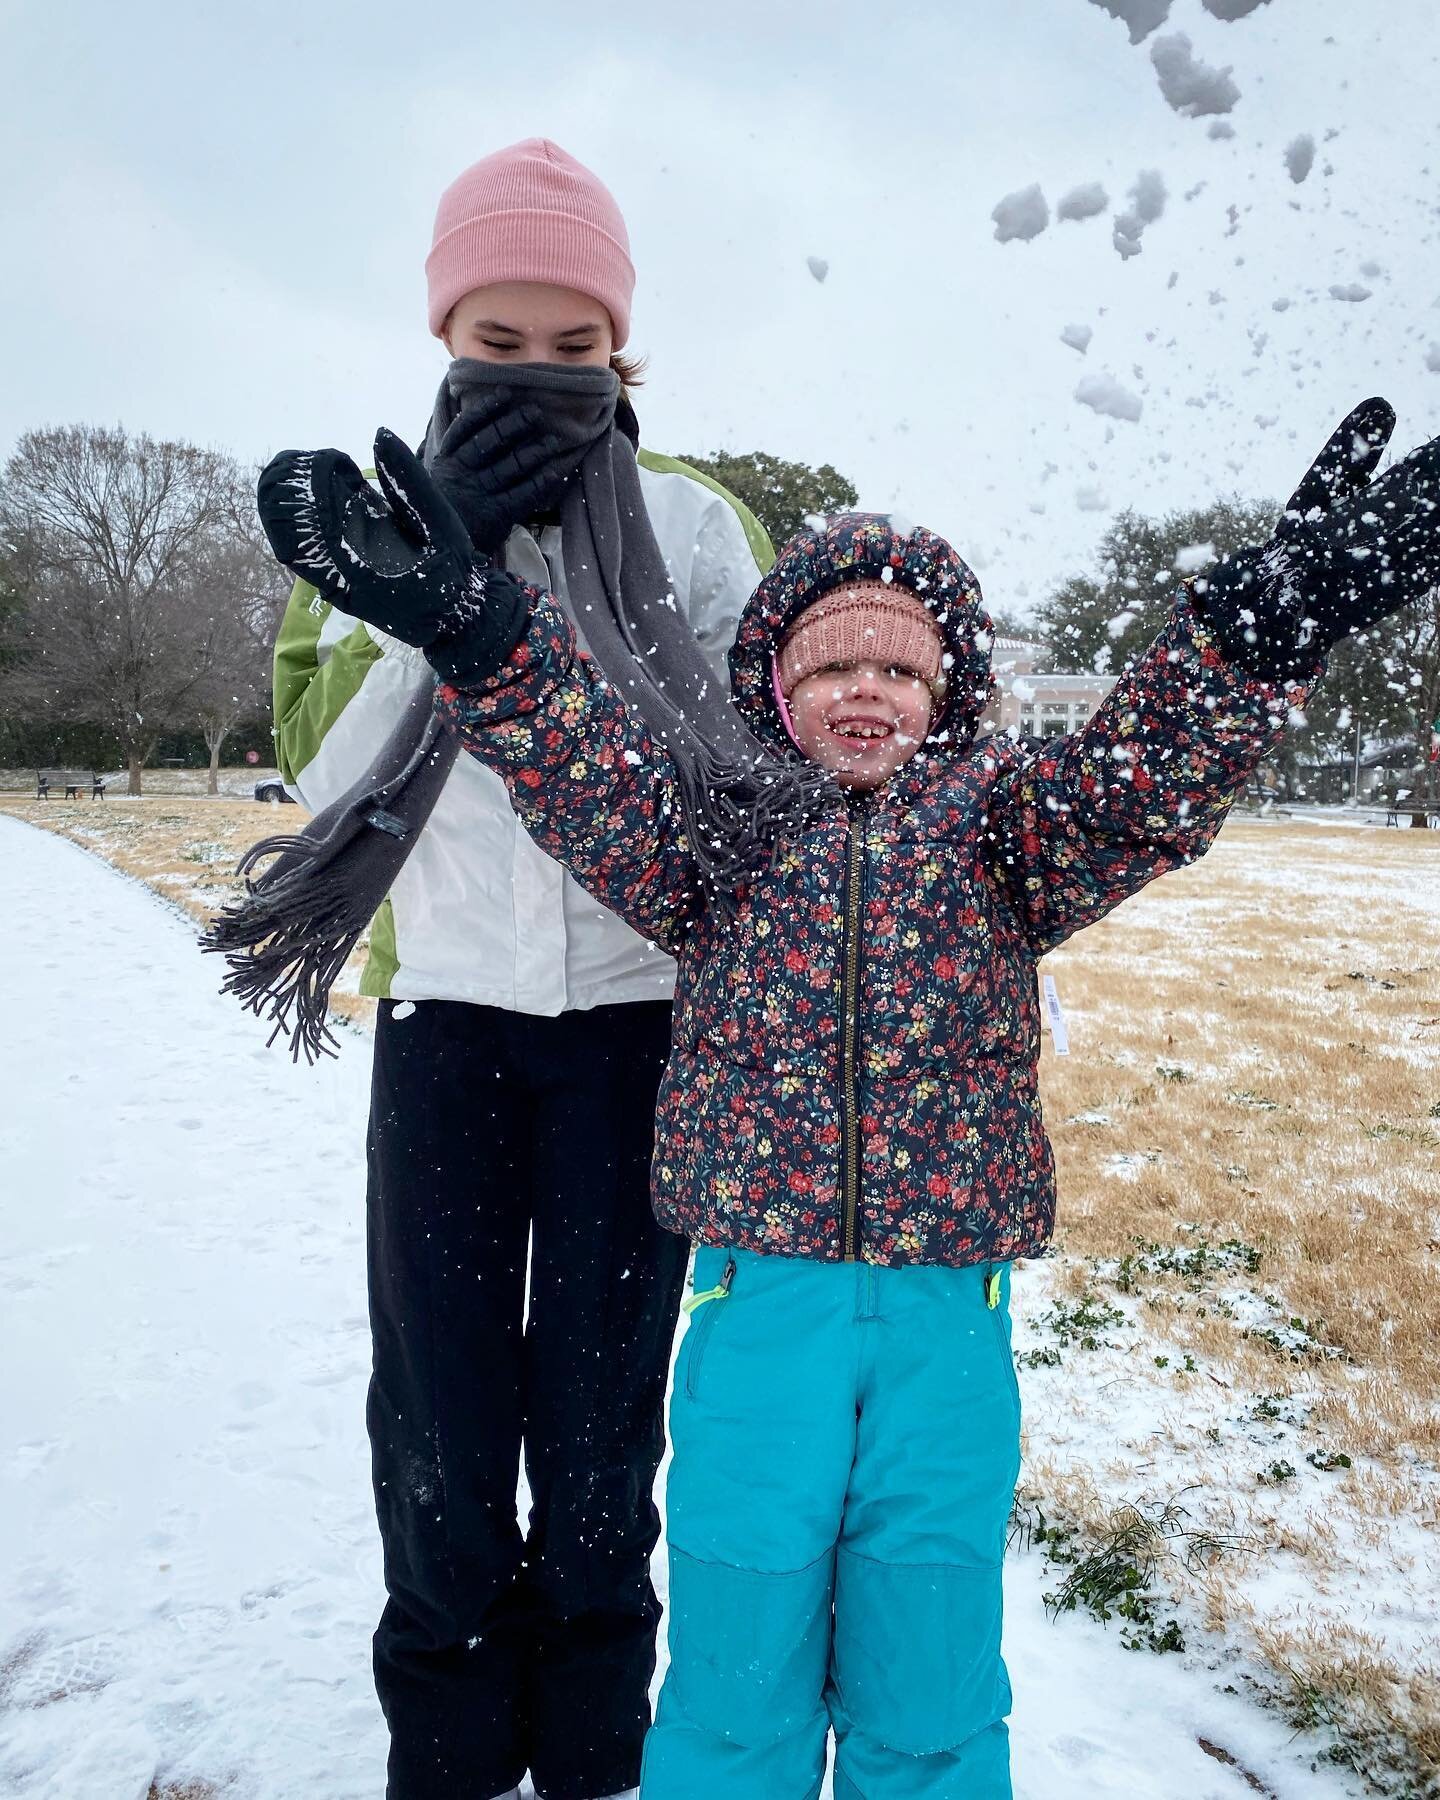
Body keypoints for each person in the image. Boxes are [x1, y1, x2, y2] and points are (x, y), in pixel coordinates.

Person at [253, 395, 1439, 1799]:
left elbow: (1141, 784)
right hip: (763, 1317)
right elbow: (579, 759)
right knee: (738, 1663)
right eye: (830, 667)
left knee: (928, 1665)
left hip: (949, 1327)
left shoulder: (1008, 835)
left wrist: (1261, 631)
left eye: (903, 669)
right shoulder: (722, 833)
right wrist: (476, 627)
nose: (866, 690)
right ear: (772, 685)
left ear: (948, 697)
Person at [261, 139, 772, 1800]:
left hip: (640, 1027)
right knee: (443, 1398)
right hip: (452, 1025)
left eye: (577, 350)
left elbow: (739, 766)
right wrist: (438, 579)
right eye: (503, 345)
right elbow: (332, 783)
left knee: (606, 1398)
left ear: (621, 348)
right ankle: (453, 1732)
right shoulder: (366, 525)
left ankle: (593, 1734)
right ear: (445, 335)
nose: (540, 379)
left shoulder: (699, 522)